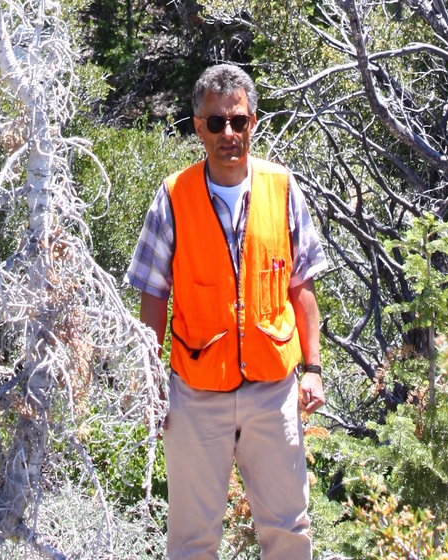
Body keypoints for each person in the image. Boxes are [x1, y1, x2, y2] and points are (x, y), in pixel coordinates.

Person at [126, 63, 328, 559]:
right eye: (216, 123)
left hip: (273, 393)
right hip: (195, 395)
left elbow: (301, 286)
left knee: (288, 529)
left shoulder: (283, 188)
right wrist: (154, 380)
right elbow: (153, 294)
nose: (228, 134)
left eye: (238, 121)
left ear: (253, 122)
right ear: (198, 128)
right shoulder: (174, 196)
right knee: (193, 539)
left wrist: (313, 369)